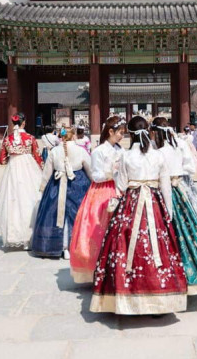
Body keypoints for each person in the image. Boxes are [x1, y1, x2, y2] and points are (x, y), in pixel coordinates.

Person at [90, 116, 188, 315]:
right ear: (149, 132)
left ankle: (127, 296)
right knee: (156, 248)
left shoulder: (126, 156)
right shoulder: (158, 156)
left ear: (131, 135)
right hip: (154, 203)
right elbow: (165, 187)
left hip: (131, 203)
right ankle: (159, 297)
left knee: (126, 247)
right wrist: (167, 213)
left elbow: (120, 186)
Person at [152, 117, 197, 294]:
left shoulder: (156, 151)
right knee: (189, 230)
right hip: (181, 189)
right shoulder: (179, 145)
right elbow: (190, 168)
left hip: (163, 190)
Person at [69, 116, 126, 282]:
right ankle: (98, 267)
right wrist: (111, 172)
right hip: (102, 191)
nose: (122, 136)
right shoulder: (98, 151)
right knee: (98, 227)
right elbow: (95, 175)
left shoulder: (121, 150)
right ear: (110, 131)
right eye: (120, 132)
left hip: (118, 188)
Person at [32, 127, 92, 259]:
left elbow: (47, 171)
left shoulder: (54, 151)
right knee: (76, 215)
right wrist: (93, 182)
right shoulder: (80, 150)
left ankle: (58, 246)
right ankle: (73, 246)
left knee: (56, 215)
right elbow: (89, 168)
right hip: (77, 185)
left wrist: (43, 188)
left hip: (56, 185)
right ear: (74, 136)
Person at [0, 114, 43, 250]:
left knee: (13, 200)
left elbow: (1, 160)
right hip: (29, 168)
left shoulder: (7, 140)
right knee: (30, 198)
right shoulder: (30, 138)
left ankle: (14, 235)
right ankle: (30, 235)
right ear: (24, 123)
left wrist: (12, 158)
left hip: (13, 170)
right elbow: (38, 157)